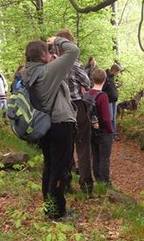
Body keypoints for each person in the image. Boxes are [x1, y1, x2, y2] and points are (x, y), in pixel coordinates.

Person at [23, 36, 78, 220]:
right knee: (59, 169)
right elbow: (73, 51)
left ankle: (50, 208)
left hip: (45, 126)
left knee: (49, 167)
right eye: (48, 51)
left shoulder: (29, 72)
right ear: (43, 56)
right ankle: (57, 212)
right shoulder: (47, 72)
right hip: (59, 125)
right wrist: (58, 39)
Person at [56, 29, 92, 195]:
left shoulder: (53, 64)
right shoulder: (75, 63)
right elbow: (87, 82)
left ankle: (65, 183)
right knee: (83, 147)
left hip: (59, 109)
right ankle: (86, 185)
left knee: (64, 148)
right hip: (77, 107)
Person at [85, 69, 114, 186]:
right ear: (104, 80)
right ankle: (105, 183)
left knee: (96, 155)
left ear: (92, 79)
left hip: (91, 131)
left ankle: (97, 179)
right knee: (104, 158)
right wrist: (111, 130)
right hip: (103, 131)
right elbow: (106, 118)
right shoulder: (103, 96)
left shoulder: (86, 94)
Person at [102, 64, 121, 139]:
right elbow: (103, 89)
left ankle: (114, 134)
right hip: (109, 100)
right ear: (114, 70)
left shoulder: (112, 77)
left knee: (114, 117)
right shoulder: (105, 77)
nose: (117, 74)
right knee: (110, 118)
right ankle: (109, 134)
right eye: (117, 72)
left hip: (114, 100)